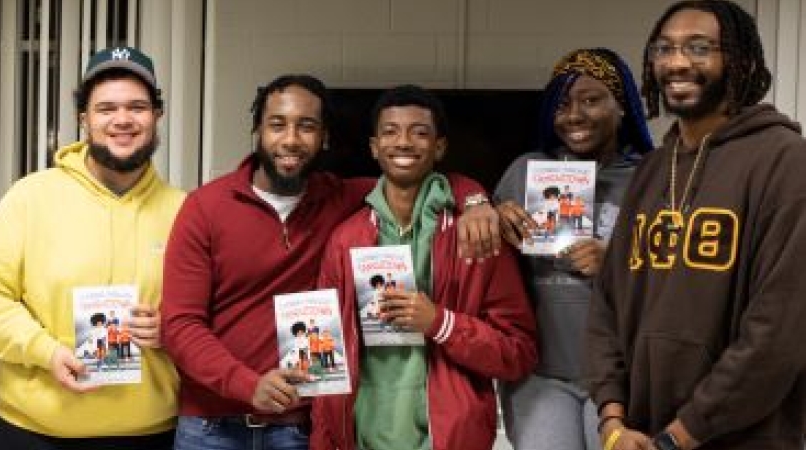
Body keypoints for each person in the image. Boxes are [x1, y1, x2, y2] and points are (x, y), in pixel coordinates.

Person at [160, 74, 500, 450]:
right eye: (277, 125)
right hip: (211, 427)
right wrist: (247, 384)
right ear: (257, 131)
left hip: (296, 428)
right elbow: (180, 325)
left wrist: (474, 198)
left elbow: (411, 174)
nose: (290, 139)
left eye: (306, 127)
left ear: (324, 138)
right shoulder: (204, 208)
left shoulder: (342, 197)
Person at [587, 2, 806, 449]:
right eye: (664, 49)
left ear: (740, 61)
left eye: (699, 47)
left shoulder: (785, 160)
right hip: (638, 434)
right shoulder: (652, 169)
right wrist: (612, 421)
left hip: (743, 438)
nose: (677, 62)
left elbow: (779, 328)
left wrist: (680, 436)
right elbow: (607, 305)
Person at [0, 45, 183, 449]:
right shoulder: (31, 197)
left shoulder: (186, 211)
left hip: (150, 436)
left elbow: (214, 314)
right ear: (84, 120)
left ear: (157, 116)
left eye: (137, 107)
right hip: (30, 433)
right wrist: (44, 351)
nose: (122, 120)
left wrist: (173, 330)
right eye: (106, 109)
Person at [308, 85, 538, 450]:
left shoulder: (477, 235)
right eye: (390, 132)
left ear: (440, 148)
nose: (403, 143)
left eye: (419, 132)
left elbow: (518, 353)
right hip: (362, 436)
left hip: (449, 438)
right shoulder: (344, 239)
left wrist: (440, 322)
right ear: (373, 147)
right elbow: (325, 364)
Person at [490, 48, 654, 450]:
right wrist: (489, 212)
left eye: (591, 100)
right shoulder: (527, 170)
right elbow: (484, 261)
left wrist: (615, 262)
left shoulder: (653, 176)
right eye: (561, 105)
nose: (574, 115)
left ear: (623, 107)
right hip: (541, 374)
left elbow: (683, 279)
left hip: (626, 374)